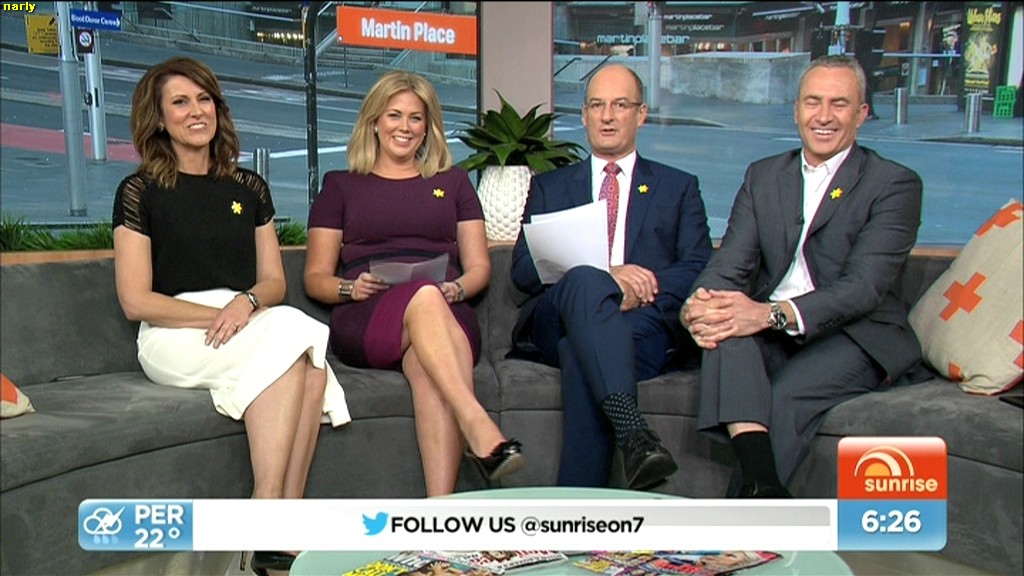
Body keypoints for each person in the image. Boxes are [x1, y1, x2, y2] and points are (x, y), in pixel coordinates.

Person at [112, 56, 350, 576]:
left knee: (306, 358)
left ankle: (275, 537)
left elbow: (273, 283)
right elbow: (136, 300)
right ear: (158, 118)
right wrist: (219, 313)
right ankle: (269, 515)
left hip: (246, 321)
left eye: (205, 99)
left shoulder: (249, 186)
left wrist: (246, 303)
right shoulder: (139, 191)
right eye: (180, 102)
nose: (196, 111)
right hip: (173, 332)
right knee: (299, 339)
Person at [681, 55, 923, 498]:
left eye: (839, 104)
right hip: (776, 332)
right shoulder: (764, 175)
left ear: (861, 114)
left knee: (785, 393)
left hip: (855, 333)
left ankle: (742, 519)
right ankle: (765, 487)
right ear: (796, 110)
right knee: (724, 334)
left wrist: (768, 314)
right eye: (813, 102)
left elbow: (863, 287)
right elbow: (729, 263)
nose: (823, 116)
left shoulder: (894, 184)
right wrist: (699, 305)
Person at [304, 71, 523, 497]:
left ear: (427, 127)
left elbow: (479, 267)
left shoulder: (453, 182)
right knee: (423, 297)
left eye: (415, 118)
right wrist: (350, 288)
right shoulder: (340, 186)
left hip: (446, 310)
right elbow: (315, 278)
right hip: (368, 313)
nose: (404, 127)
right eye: (394, 115)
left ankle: (439, 512)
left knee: (429, 366)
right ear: (374, 122)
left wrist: (459, 289)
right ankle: (478, 424)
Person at [510, 64, 712, 490]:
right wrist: (608, 279)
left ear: (641, 114)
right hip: (557, 317)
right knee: (586, 280)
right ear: (584, 115)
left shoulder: (678, 187)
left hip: (640, 325)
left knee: (579, 351)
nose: (607, 116)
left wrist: (637, 291)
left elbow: (696, 266)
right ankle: (632, 431)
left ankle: (581, 505)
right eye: (597, 105)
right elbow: (523, 272)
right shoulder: (550, 187)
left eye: (620, 105)